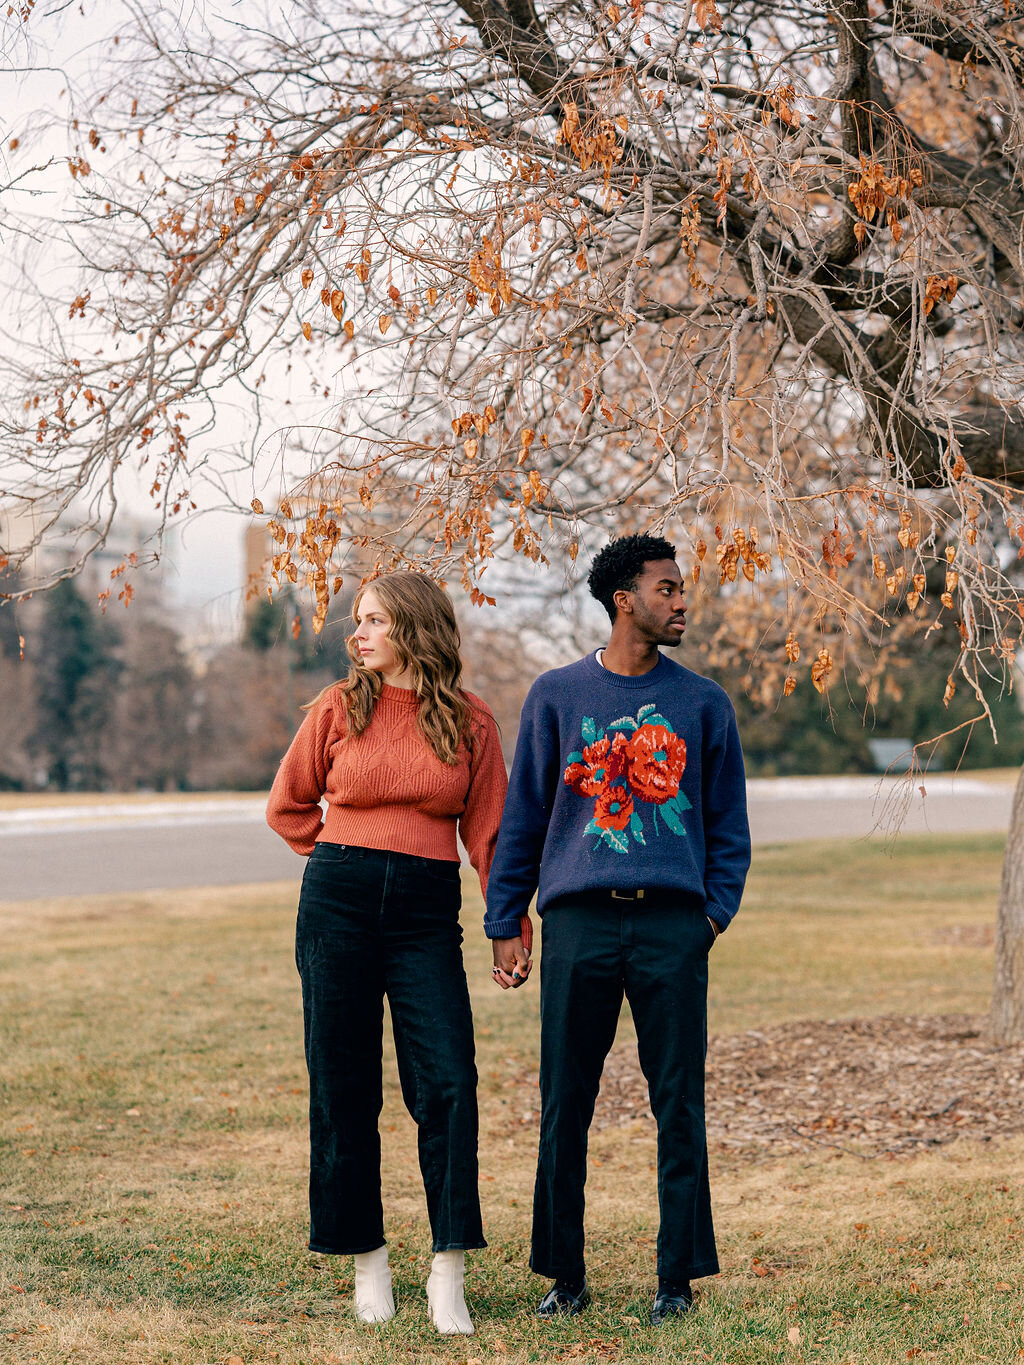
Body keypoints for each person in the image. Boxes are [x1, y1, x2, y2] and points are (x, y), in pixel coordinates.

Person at [485, 533, 750, 1324]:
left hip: (673, 926)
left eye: (682, 588)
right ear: (623, 599)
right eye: (667, 589)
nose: (682, 601)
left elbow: (729, 827)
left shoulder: (704, 704)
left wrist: (709, 916)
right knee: (566, 1102)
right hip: (577, 926)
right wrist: (508, 917)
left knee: (679, 1104)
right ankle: (565, 1276)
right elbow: (523, 816)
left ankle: (677, 1279)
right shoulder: (556, 696)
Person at [267, 570, 518, 1335]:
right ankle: (368, 1259)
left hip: (424, 912)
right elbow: (287, 803)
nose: (360, 633)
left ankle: (449, 1270)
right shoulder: (340, 707)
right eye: (358, 620)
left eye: (375, 620)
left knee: (446, 1081)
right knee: (342, 1083)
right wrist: (346, 851)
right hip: (337, 901)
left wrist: (508, 920)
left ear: (415, 627)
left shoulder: (472, 722)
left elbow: (490, 834)